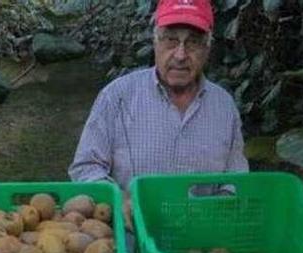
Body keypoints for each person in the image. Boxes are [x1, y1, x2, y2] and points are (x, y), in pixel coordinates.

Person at [68, 0, 249, 231]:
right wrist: (118, 198)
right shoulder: (117, 97)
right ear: (155, 41)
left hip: (199, 241)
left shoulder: (224, 106)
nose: (181, 54)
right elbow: (85, 166)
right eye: (170, 40)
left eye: (193, 42)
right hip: (130, 238)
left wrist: (216, 213)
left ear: (208, 49)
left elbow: (236, 181)